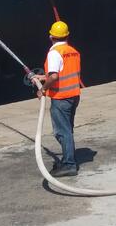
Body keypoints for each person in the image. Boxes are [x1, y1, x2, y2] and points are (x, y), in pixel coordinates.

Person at [34, 20, 83, 177]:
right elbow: (63, 72)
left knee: (62, 132)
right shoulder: (72, 51)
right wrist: (42, 77)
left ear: (51, 37)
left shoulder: (54, 53)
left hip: (61, 98)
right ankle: (68, 160)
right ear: (67, 36)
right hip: (73, 96)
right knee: (67, 130)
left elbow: (54, 76)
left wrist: (43, 89)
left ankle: (69, 164)